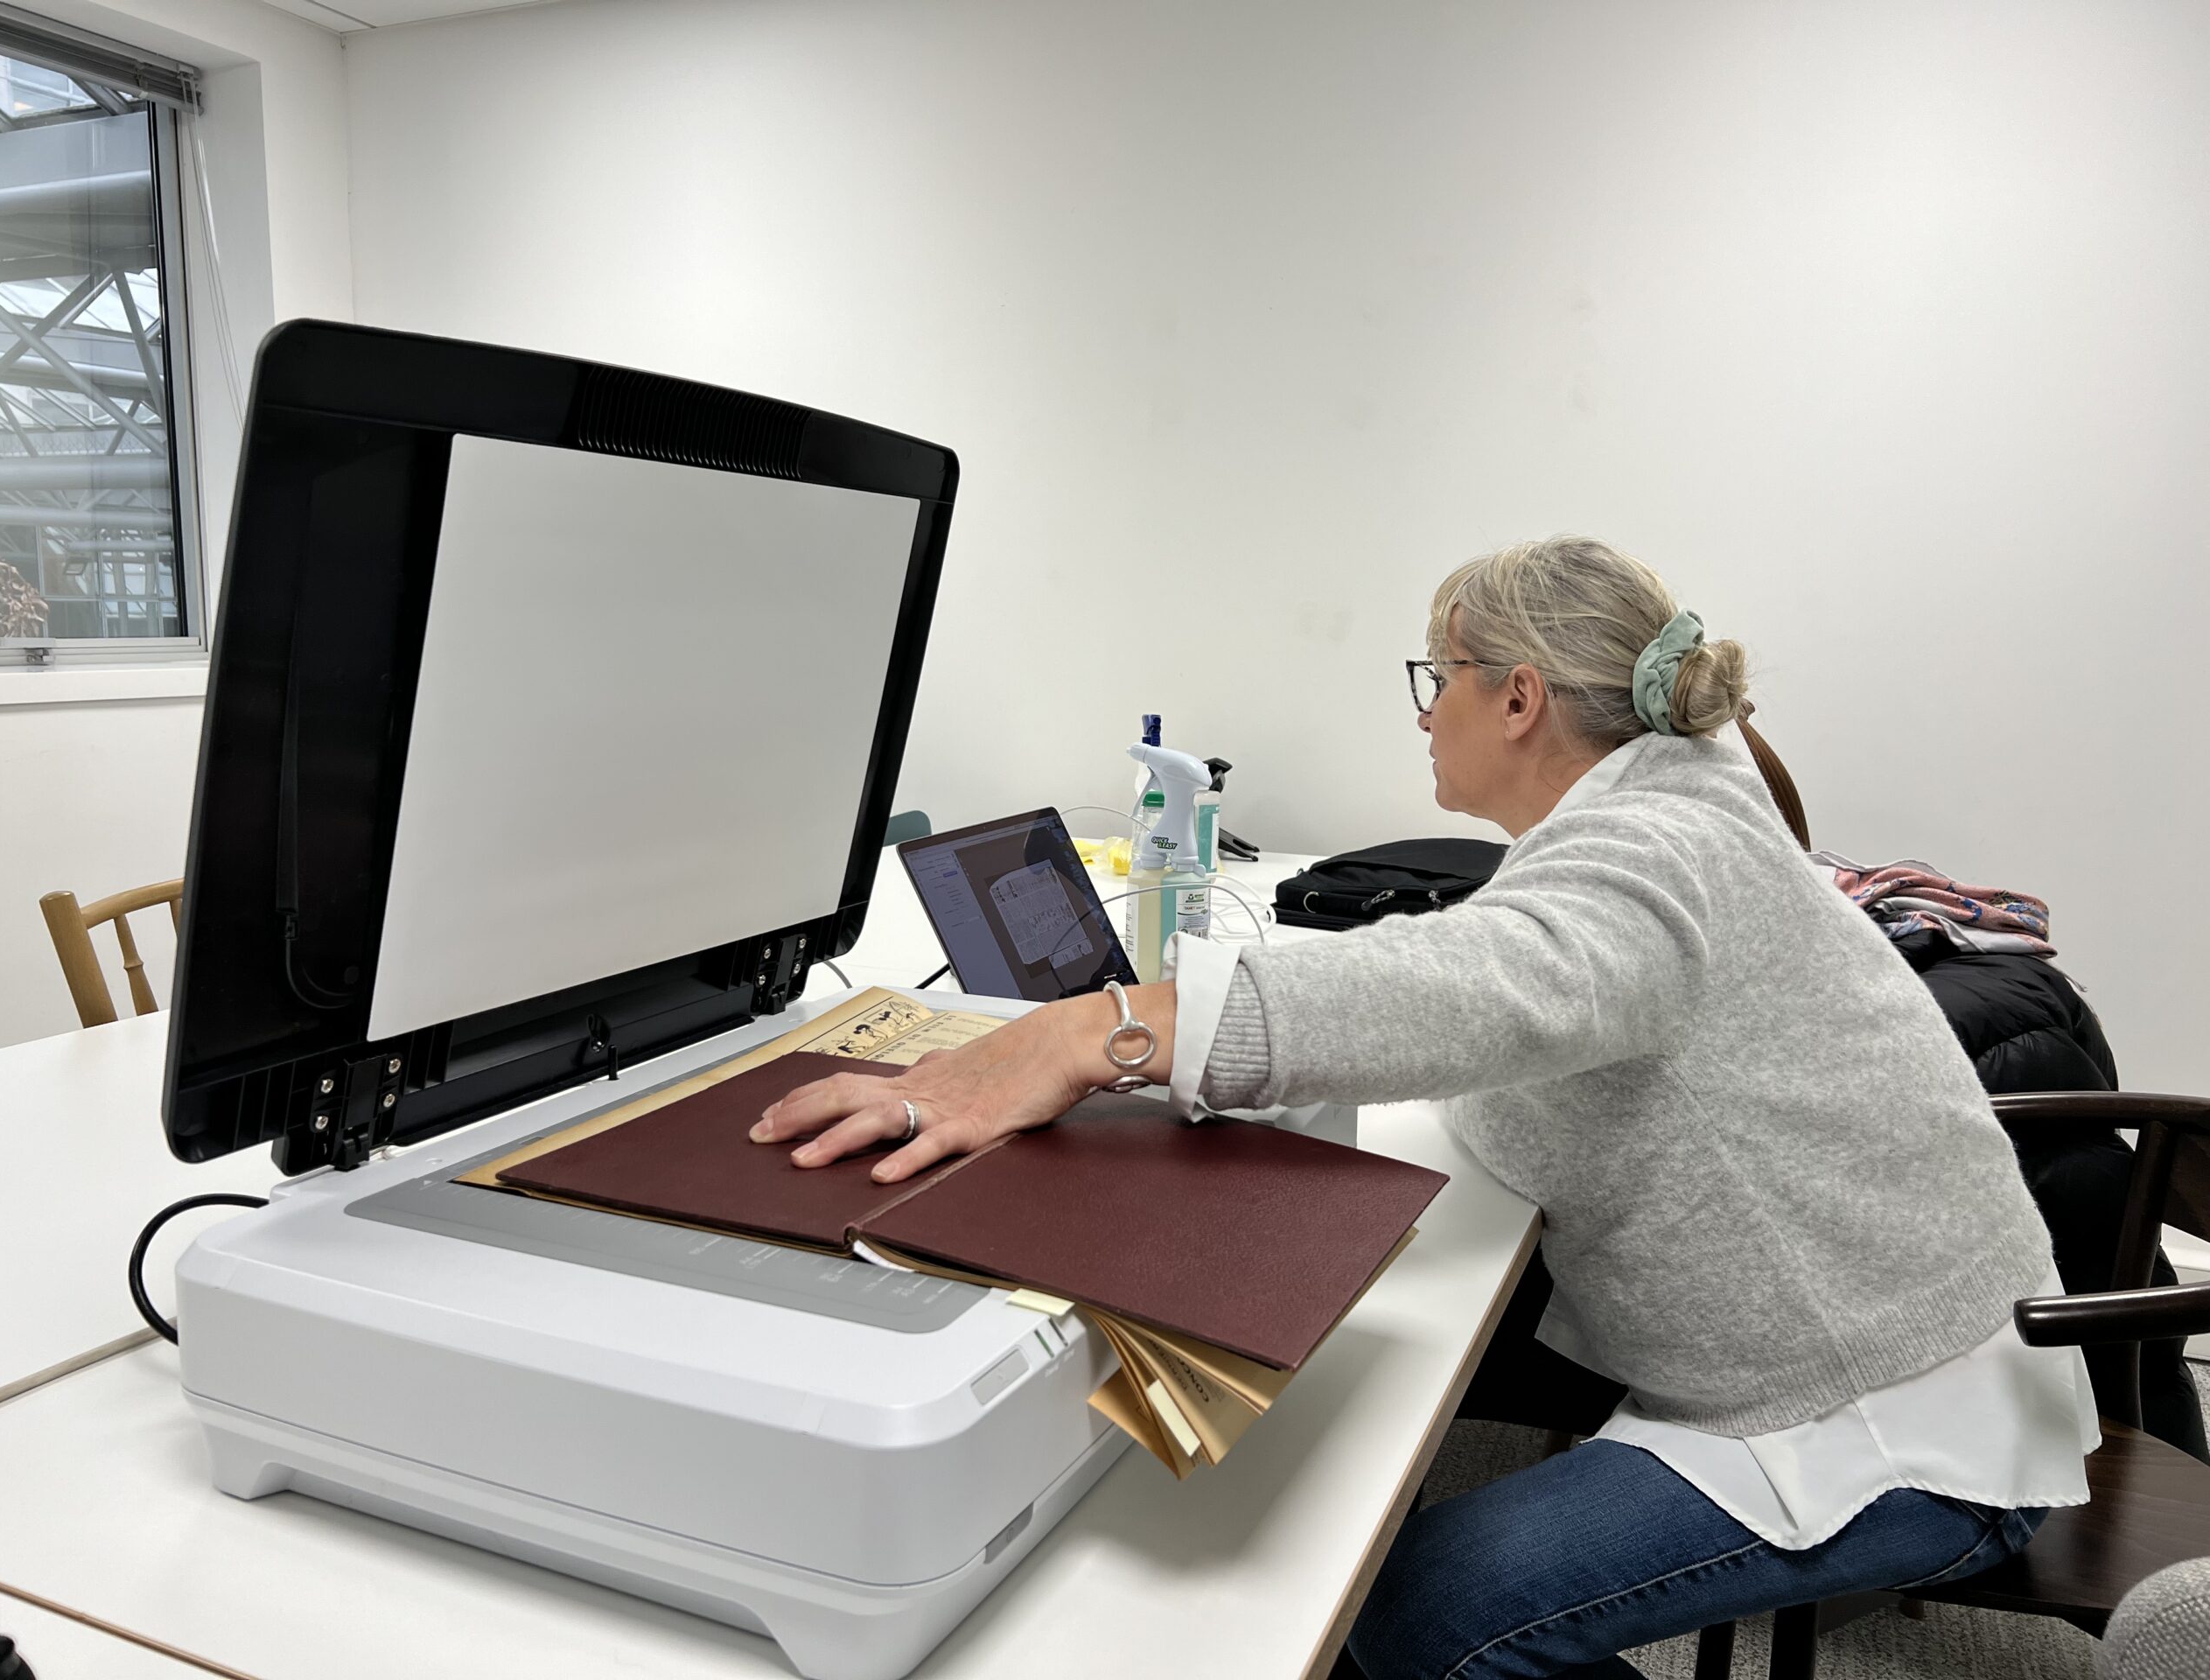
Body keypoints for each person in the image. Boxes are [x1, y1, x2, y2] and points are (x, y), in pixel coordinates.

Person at [752, 536, 2095, 1678]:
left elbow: (1498, 983)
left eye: (1434, 676)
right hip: (1847, 1343)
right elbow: (1526, 1010)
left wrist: (1098, 1032)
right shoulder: (1668, 816)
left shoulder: (1661, 848)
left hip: (1885, 1423)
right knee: (1365, 1434)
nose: (1422, 709)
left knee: (1415, 1611)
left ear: (1517, 698)